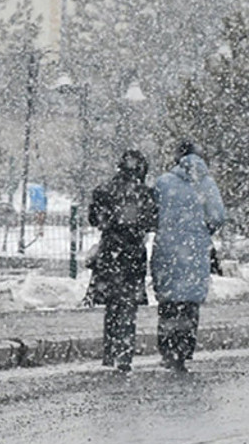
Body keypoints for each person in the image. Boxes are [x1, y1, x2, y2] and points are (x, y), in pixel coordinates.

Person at [151, 140, 227, 372]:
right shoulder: (206, 185)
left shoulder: (163, 183)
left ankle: (167, 348)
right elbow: (217, 216)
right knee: (189, 303)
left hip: (167, 249)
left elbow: (152, 213)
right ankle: (184, 349)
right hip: (194, 251)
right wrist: (201, 231)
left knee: (168, 302)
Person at [87, 149, 158, 373]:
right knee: (128, 305)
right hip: (133, 254)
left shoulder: (104, 190)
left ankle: (109, 351)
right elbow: (152, 221)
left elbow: (93, 219)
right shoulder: (145, 194)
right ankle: (125, 353)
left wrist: (110, 223)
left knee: (111, 303)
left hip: (110, 251)